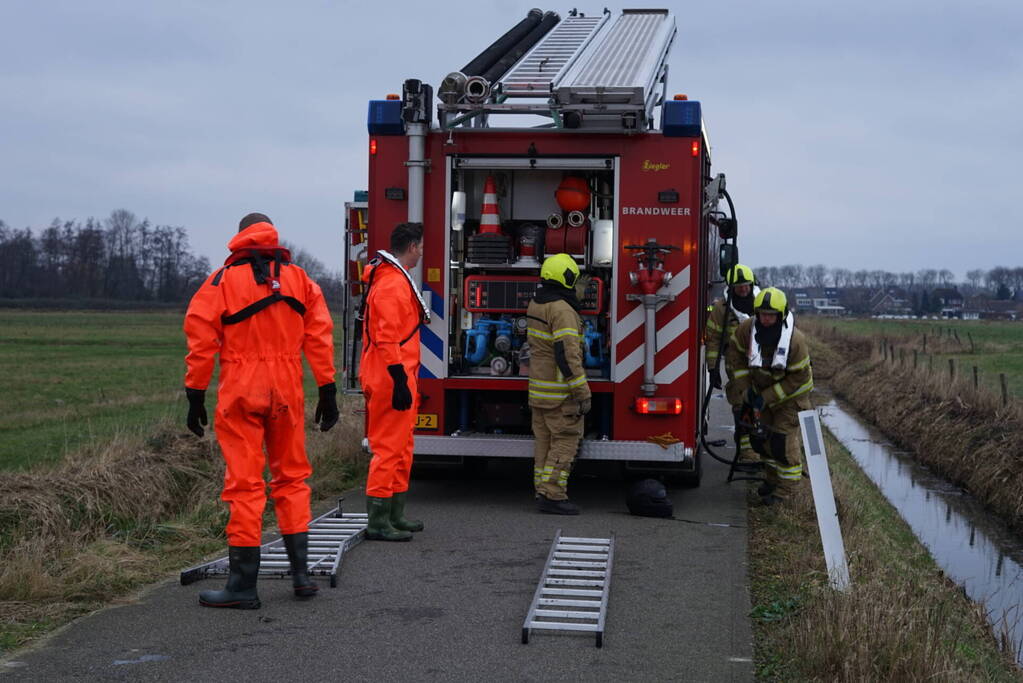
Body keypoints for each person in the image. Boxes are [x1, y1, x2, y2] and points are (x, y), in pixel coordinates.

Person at [184, 212, 338, 609]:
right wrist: (327, 388)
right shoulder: (299, 279)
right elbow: (320, 336)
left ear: (240, 238)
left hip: (241, 389)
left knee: (245, 485)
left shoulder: (220, 281)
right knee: (292, 478)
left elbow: (201, 340)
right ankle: (301, 576)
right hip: (287, 390)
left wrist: (195, 393)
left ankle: (242, 586)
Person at [359, 222, 430, 541]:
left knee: (401, 448)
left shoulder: (395, 280)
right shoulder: (391, 285)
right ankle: (378, 521)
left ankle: (395, 514)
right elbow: (386, 338)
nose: (422, 252)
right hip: (390, 376)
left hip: (397, 374)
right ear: (412, 247)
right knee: (389, 449)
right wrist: (399, 379)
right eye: (421, 246)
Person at [725, 287, 813, 504]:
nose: (765, 319)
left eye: (771, 315)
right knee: (761, 439)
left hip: (791, 397)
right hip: (760, 393)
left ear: (781, 315)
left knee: (781, 442)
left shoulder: (795, 341)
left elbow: (798, 378)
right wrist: (746, 389)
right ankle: (772, 481)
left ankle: (787, 492)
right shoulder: (747, 330)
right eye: (762, 314)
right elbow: (736, 357)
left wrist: (767, 397)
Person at [527, 253, 591, 515]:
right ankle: (553, 494)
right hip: (560, 393)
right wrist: (582, 392)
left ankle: (542, 490)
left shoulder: (536, 303)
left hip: (539, 390)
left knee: (544, 443)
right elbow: (567, 355)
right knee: (565, 441)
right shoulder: (563, 310)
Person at [704, 264, 760, 463]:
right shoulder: (721, 309)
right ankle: (746, 452)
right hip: (735, 362)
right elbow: (713, 340)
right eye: (739, 286)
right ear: (731, 287)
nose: (743, 289)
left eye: (746, 285)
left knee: (762, 403)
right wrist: (713, 368)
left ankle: (761, 446)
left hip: (762, 363)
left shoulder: (762, 302)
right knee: (741, 403)